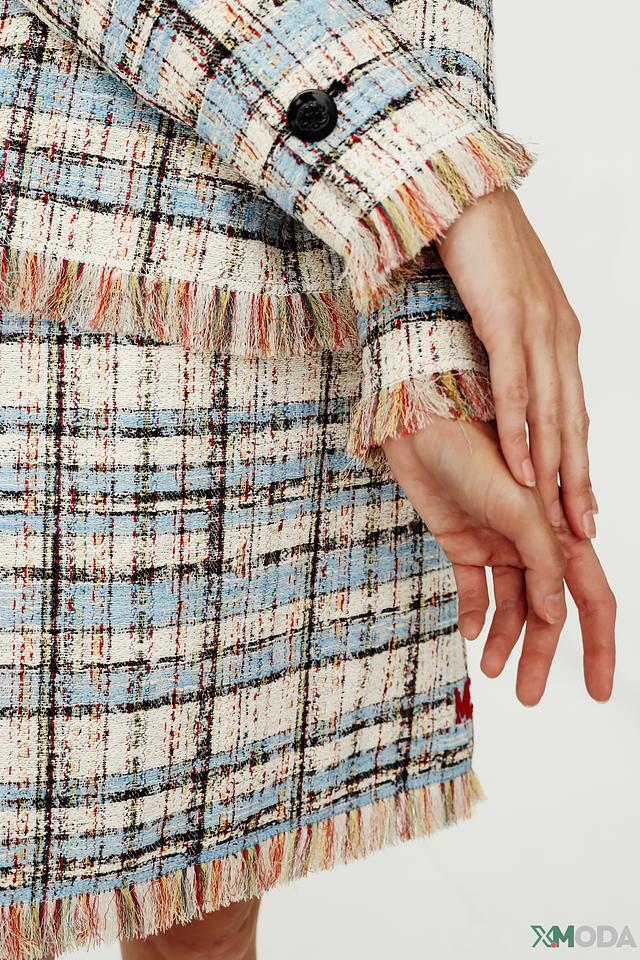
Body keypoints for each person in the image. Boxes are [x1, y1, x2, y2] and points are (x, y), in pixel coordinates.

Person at [0, 0, 616, 958]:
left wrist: (423, 326)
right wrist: (440, 180)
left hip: (296, 272)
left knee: (198, 920)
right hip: (75, 239)